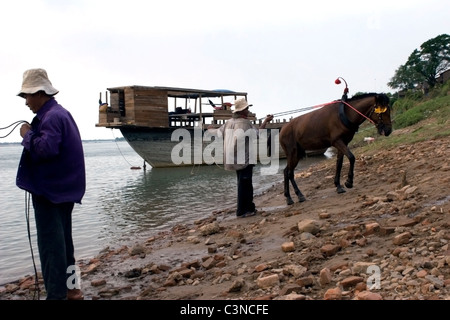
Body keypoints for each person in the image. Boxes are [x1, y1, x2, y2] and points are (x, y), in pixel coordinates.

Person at [16, 68, 86, 300]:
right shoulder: (59, 113)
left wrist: (26, 133)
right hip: (64, 190)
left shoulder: (52, 116)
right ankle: (73, 291)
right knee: (65, 245)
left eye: (27, 96)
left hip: (51, 193)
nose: (26, 102)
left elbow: (46, 149)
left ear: (39, 93)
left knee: (51, 248)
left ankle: (56, 296)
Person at [217, 98, 273, 218]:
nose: (248, 110)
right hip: (245, 158)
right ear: (243, 111)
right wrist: (265, 121)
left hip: (233, 158)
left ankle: (243, 209)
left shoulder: (229, 122)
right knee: (246, 184)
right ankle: (245, 210)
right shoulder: (245, 123)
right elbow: (258, 134)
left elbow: (219, 133)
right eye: (247, 108)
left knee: (241, 183)